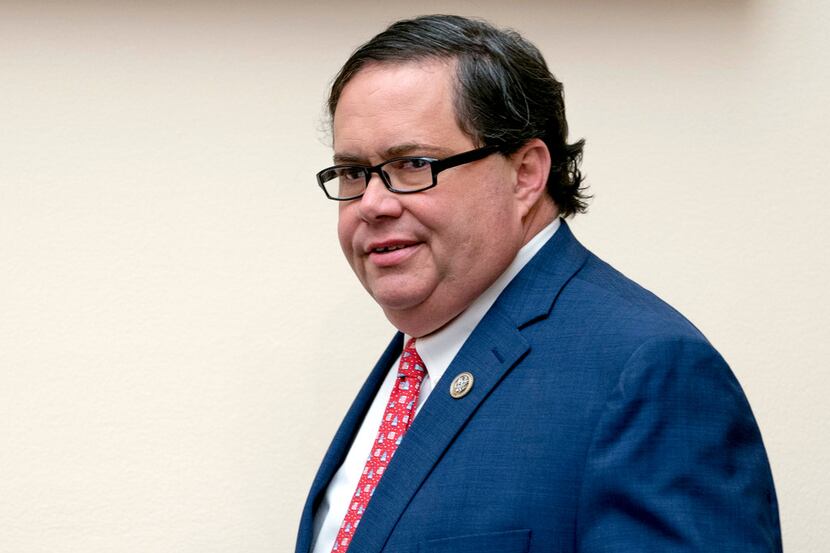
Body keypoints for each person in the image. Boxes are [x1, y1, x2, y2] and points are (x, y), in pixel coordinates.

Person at [296, 14, 782, 553]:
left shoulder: (646, 374)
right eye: (352, 173)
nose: (373, 204)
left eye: (412, 164)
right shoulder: (418, 361)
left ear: (525, 173)